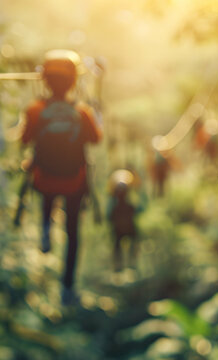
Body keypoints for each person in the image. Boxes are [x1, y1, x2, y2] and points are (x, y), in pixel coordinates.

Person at [20, 49, 101, 305]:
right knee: (73, 232)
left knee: (47, 195)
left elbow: (25, 139)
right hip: (75, 180)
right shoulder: (82, 112)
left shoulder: (35, 109)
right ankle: (67, 287)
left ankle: (45, 225)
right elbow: (96, 140)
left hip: (44, 178)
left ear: (44, 79)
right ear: (73, 81)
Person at [108, 169, 143, 271]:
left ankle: (123, 265)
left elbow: (109, 217)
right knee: (121, 245)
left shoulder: (115, 204)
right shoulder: (127, 204)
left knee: (119, 245)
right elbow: (138, 210)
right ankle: (126, 264)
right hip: (125, 228)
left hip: (120, 228)